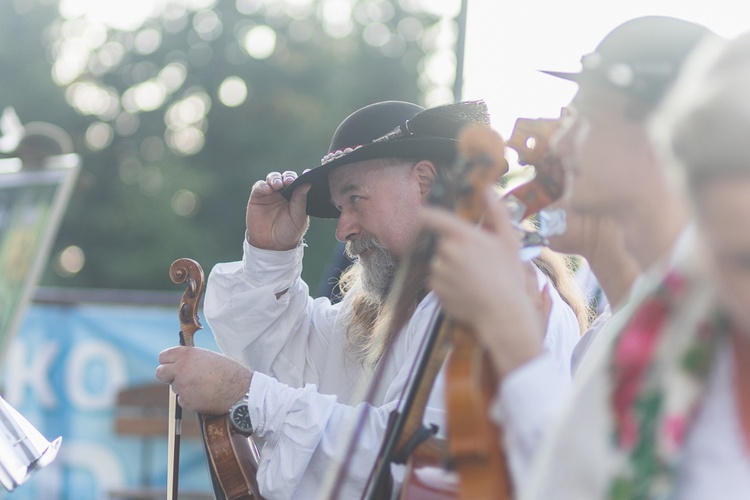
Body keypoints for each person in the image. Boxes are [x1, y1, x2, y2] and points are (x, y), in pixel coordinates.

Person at [155, 100, 582, 498]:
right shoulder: (399, 305)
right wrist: (270, 254)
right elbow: (291, 362)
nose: (343, 230)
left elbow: (422, 462)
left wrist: (246, 393)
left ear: (425, 182)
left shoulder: (496, 292)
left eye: (355, 198)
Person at [420, 15, 719, 493]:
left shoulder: (719, 314)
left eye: (582, 119)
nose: (560, 143)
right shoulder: (653, 310)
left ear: (657, 132)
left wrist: (516, 345)